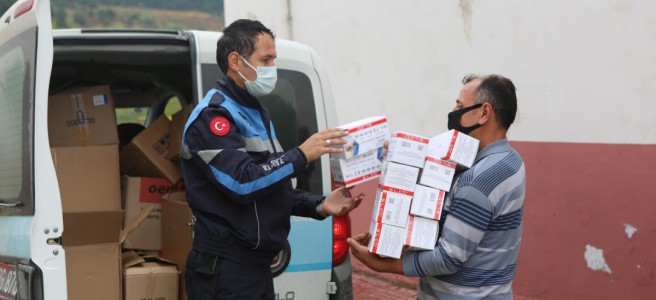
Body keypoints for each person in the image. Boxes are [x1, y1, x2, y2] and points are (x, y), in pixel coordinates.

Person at [179, 19, 364, 299]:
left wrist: (319, 204)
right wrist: (300, 155)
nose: (272, 68)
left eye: (273, 60)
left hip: (255, 267)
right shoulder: (214, 117)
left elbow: (269, 185)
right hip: (226, 268)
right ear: (236, 61)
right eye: (265, 60)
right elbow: (242, 183)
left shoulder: (255, 112)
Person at [348, 74, 526, 300]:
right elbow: (458, 214)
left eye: (460, 105)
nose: (453, 111)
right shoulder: (510, 161)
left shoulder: (478, 179)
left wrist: (386, 265)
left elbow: (448, 257)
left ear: (484, 113)